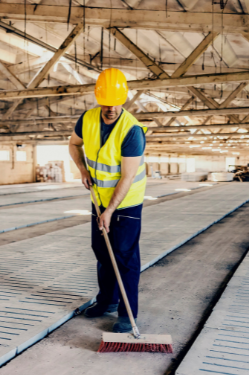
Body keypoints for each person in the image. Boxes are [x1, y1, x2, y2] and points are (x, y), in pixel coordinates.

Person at [68, 68, 147, 333]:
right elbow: (73, 145)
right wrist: (82, 169)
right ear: (98, 98)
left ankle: (127, 314)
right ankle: (107, 302)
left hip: (126, 204)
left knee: (124, 258)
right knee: (102, 253)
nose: (111, 108)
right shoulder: (87, 119)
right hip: (99, 200)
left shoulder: (132, 131)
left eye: (116, 103)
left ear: (123, 99)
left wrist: (110, 211)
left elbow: (127, 177)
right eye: (106, 103)